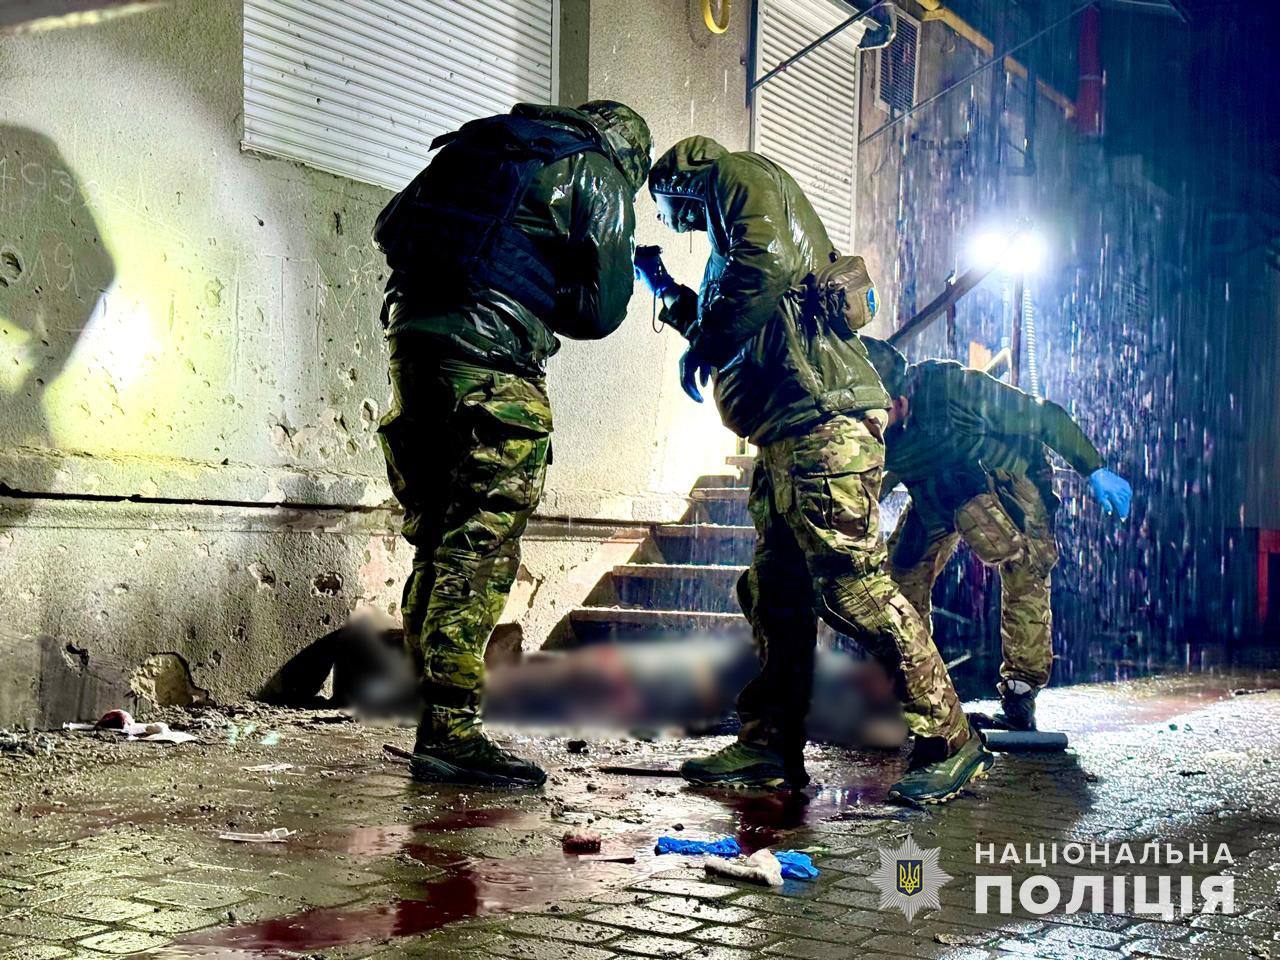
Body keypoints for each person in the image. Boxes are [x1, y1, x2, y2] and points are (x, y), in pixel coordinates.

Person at [635, 136, 993, 805]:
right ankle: (770, 743)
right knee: (777, 592)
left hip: (824, 422)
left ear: (680, 182)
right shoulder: (728, 249)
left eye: (664, 207)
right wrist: (663, 289)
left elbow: (762, 270)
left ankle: (952, 739)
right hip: (786, 431)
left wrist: (706, 342)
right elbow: (731, 325)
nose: (668, 221)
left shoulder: (735, 177)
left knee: (852, 588)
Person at [373, 100, 652, 787]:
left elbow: (390, 227)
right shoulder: (598, 172)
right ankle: (451, 734)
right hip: (493, 367)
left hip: (413, 354)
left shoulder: (489, 149)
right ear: (630, 154)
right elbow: (600, 312)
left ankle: (435, 720)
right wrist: (540, 283)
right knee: (480, 544)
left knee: (438, 541)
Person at [863, 338, 1134, 730]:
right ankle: (911, 688)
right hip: (937, 490)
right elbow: (875, 478)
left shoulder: (955, 390)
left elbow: (1043, 416)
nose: (868, 425)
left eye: (877, 414)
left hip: (1005, 481)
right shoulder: (868, 424)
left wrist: (1092, 467)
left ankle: (1020, 696)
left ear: (900, 400)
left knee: (1026, 568)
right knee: (899, 582)